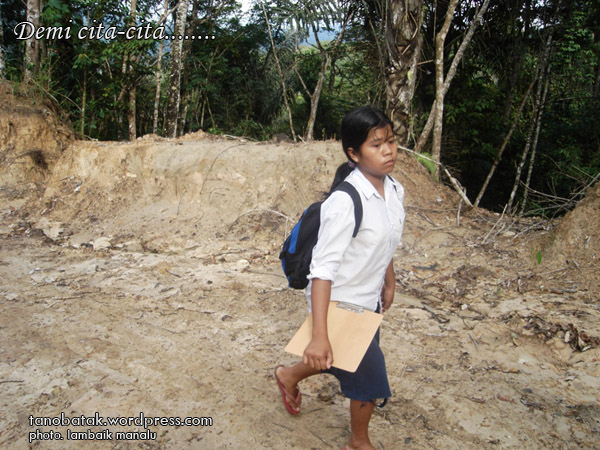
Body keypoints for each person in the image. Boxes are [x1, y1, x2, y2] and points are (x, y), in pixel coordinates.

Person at [274, 106, 405, 450]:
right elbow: (322, 271)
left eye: (391, 141)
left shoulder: (394, 190)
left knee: (339, 357)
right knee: (369, 377)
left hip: (368, 298)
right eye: (376, 145)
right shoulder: (344, 202)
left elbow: (386, 239)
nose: (388, 151)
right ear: (353, 153)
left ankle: (287, 375)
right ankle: (359, 443)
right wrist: (319, 334)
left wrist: (389, 280)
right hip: (338, 302)